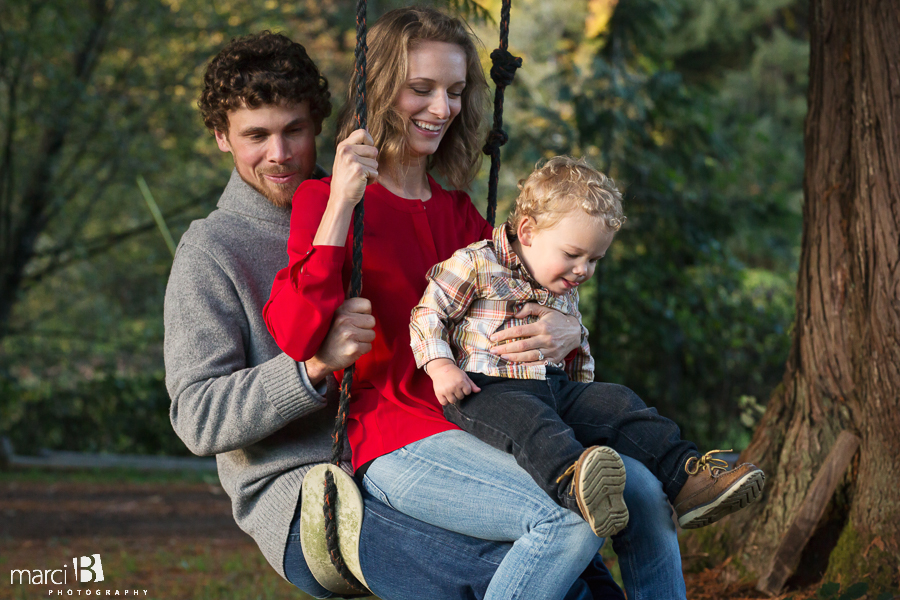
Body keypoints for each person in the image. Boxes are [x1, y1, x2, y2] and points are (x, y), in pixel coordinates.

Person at [164, 30, 627, 600]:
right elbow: (197, 416)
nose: (280, 154)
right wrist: (311, 369)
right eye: (256, 136)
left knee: (590, 575)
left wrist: (567, 327)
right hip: (311, 487)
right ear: (220, 138)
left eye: (295, 131)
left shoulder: (381, 203)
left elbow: (503, 292)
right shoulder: (213, 250)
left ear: (323, 126)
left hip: (434, 440)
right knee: (514, 572)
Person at [263, 8, 691, 600]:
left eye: (456, 92)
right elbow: (294, 334)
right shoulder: (326, 201)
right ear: (383, 91)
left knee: (643, 490)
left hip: (489, 418)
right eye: (422, 89)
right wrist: (340, 204)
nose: (442, 109)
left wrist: (568, 330)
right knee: (569, 516)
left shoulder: (461, 215)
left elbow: (523, 305)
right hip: (396, 436)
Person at [410, 155, 765, 537]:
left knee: (622, 403)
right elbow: (429, 312)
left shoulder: (564, 285)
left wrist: (587, 393)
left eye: (595, 259)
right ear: (527, 232)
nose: (583, 270)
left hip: (555, 387)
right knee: (534, 424)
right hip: (487, 390)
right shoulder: (477, 263)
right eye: (573, 254)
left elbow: (575, 354)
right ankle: (577, 486)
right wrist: (440, 365)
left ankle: (689, 482)